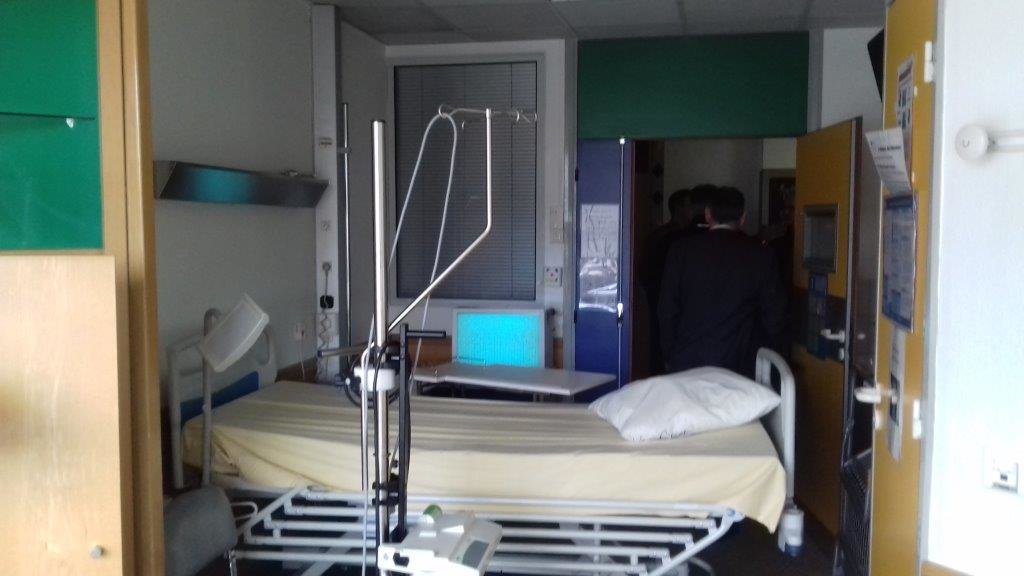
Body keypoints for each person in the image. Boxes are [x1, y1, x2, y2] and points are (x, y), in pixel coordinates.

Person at [658, 186, 787, 377]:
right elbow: (774, 317)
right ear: (743, 218)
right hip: (739, 365)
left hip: (687, 360)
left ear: (708, 215)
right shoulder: (762, 255)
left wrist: (669, 354)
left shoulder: (681, 250)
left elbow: (667, 310)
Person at [641, 185, 716, 374]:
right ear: (679, 209)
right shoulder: (667, 239)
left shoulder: (669, 238)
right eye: (689, 206)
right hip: (669, 307)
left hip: (669, 310)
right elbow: (647, 273)